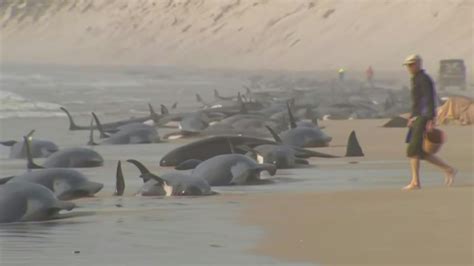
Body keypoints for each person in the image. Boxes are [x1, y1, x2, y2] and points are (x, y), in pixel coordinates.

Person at [403, 54, 457, 190]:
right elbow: (417, 101)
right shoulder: (415, 79)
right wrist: (411, 116)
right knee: (418, 151)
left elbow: (429, 100)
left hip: (423, 118)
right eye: (407, 65)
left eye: (411, 64)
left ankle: (416, 182)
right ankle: (448, 169)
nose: (409, 68)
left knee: (413, 150)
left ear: (418, 64)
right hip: (417, 117)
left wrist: (431, 119)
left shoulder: (424, 79)